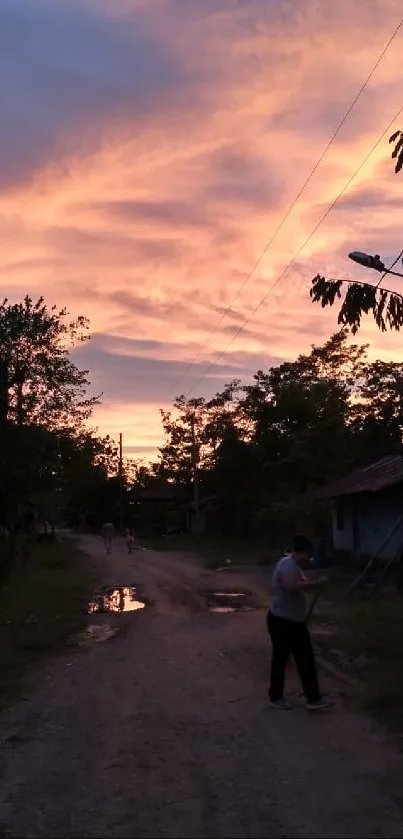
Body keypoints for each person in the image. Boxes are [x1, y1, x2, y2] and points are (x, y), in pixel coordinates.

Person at [267, 534, 333, 712]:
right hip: (282, 621)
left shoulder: (294, 565)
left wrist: (312, 584)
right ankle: (276, 697)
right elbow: (290, 586)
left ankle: (313, 698)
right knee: (282, 659)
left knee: (305, 659)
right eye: (308, 555)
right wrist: (316, 584)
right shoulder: (286, 564)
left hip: (294, 621)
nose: (309, 560)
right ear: (300, 552)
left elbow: (298, 584)